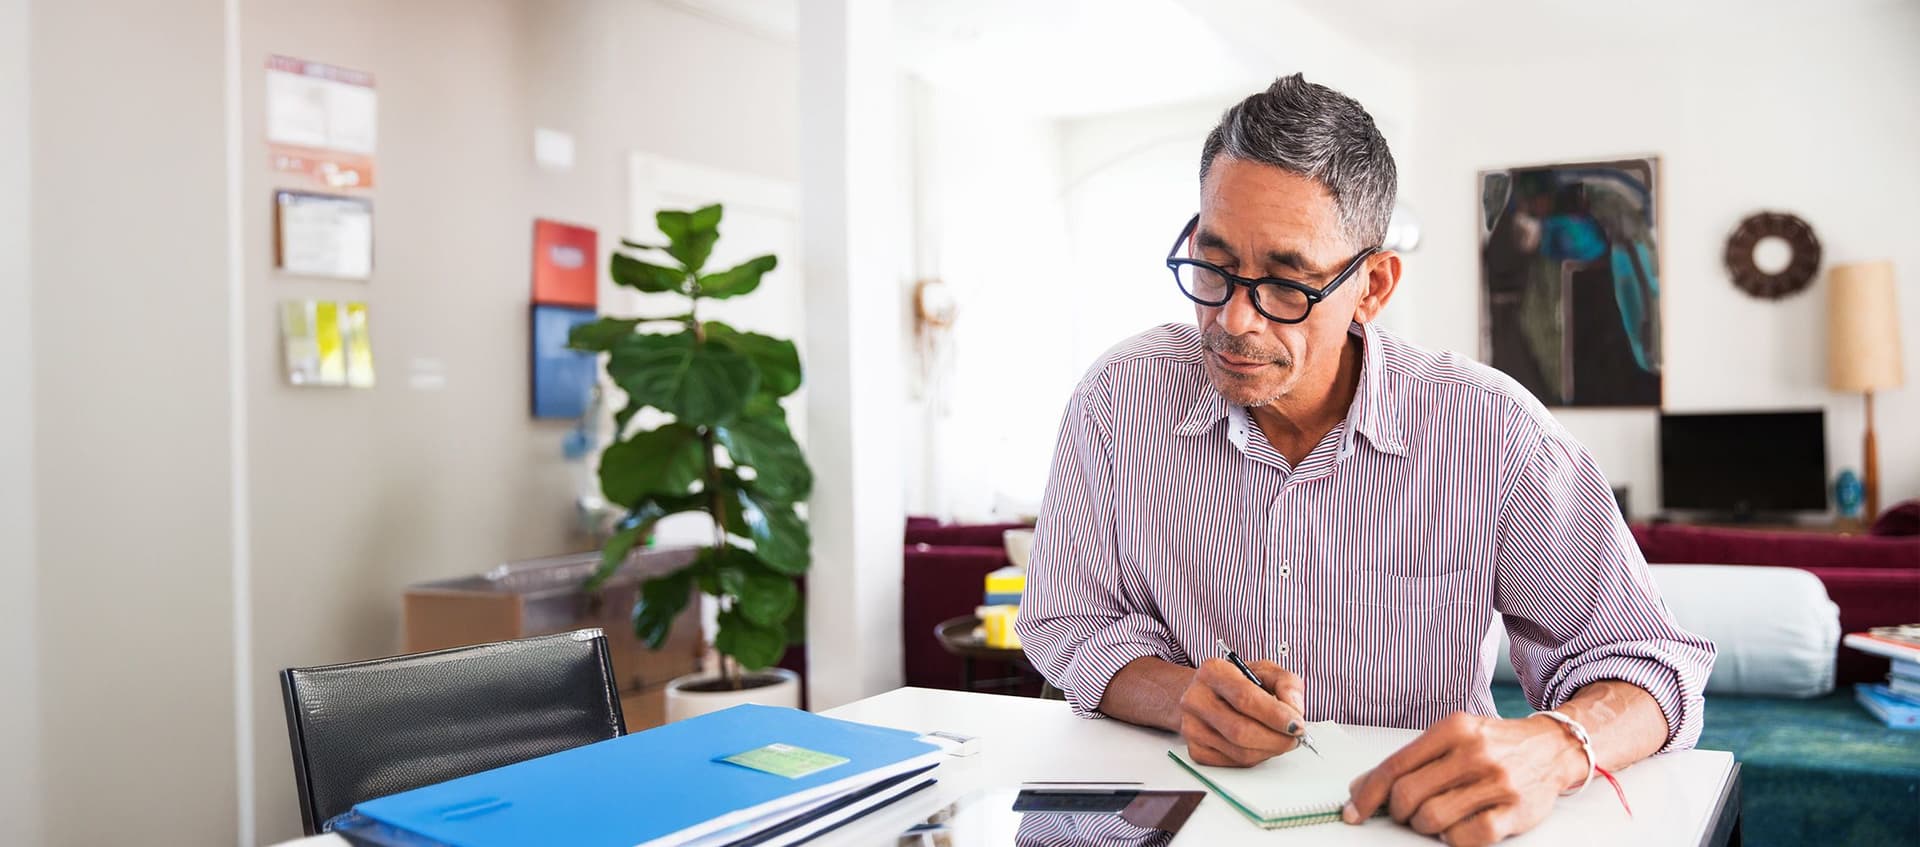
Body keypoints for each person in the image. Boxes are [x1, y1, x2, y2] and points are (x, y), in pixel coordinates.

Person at [1015, 74, 1714, 847]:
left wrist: (1551, 746)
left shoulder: (1494, 432)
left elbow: (1650, 663)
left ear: (1373, 285)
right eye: (1212, 265)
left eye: (1284, 282)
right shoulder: (1117, 400)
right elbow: (1066, 621)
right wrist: (1181, 695)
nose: (1231, 318)